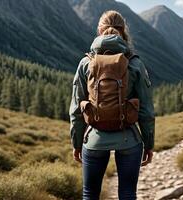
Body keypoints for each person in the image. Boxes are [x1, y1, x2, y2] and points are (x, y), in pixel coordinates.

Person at [69, 10, 155, 200]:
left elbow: (76, 109)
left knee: (90, 193)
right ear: (124, 31)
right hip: (129, 139)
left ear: (99, 31)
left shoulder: (86, 63)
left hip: (94, 139)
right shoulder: (134, 63)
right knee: (126, 193)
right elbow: (146, 111)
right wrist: (149, 144)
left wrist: (76, 143)